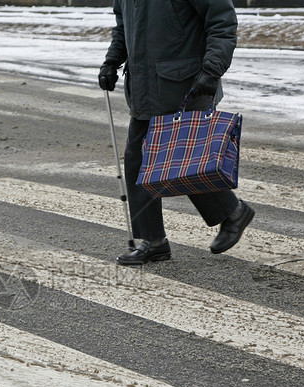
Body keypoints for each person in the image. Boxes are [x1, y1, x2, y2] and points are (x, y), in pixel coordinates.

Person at [99, 0, 254, 266]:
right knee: (138, 162)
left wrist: (212, 70)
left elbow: (222, 22)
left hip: (186, 84)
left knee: (182, 164)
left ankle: (233, 212)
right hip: (145, 87)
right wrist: (112, 60)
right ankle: (154, 241)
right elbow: (123, 26)